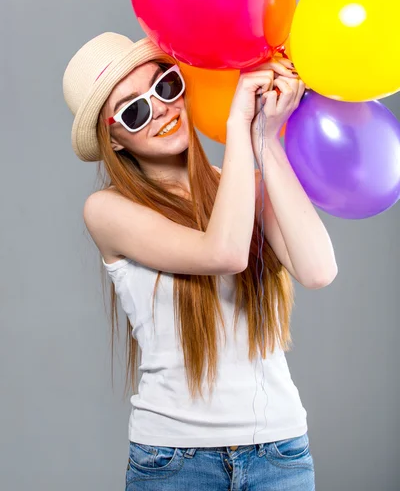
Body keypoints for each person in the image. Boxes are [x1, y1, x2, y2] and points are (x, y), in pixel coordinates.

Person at [63, 32, 337, 490]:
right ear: (114, 140)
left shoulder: (246, 183)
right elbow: (224, 252)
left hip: (279, 452)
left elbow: (318, 270)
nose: (163, 109)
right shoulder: (107, 211)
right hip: (175, 461)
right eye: (134, 111)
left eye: (166, 86)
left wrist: (264, 138)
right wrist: (237, 125)